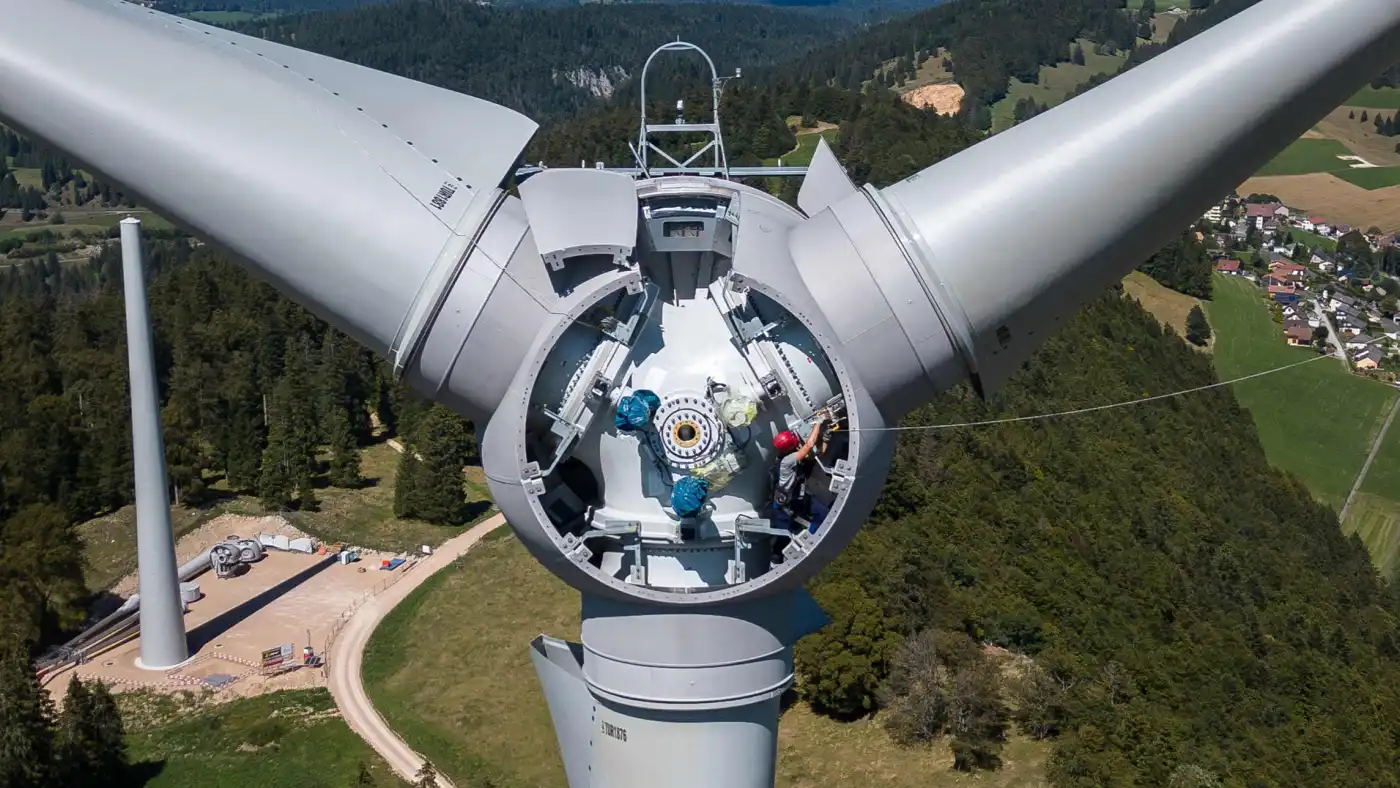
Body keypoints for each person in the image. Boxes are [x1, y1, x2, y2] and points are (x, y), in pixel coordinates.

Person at [771, 415, 830, 534]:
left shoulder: (785, 458)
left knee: (812, 514)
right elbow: (809, 445)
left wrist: (825, 438)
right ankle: (813, 535)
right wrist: (818, 423)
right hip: (790, 502)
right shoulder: (788, 461)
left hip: (793, 498)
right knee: (820, 514)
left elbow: (819, 452)